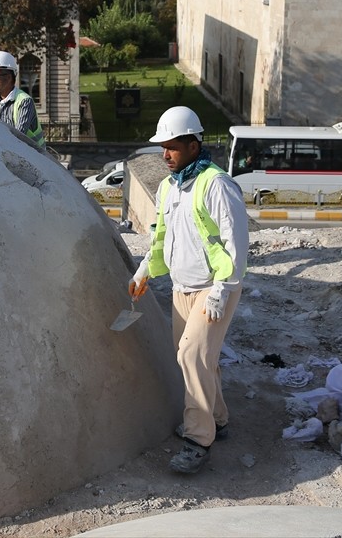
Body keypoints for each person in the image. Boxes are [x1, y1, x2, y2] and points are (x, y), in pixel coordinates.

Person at [128, 105, 249, 474]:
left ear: (194, 145)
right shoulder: (168, 186)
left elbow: (236, 241)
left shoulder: (216, 184)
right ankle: (217, 418)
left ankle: (198, 440)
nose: (165, 154)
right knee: (199, 359)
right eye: (162, 147)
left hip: (214, 289)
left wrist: (222, 289)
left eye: (173, 147)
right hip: (183, 288)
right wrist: (145, 268)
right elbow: (162, 235)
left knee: (191, 356)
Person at [0, 50, 45, 149]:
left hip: (35, 158)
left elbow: (18, 137)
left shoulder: (24, 101)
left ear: (9, 77)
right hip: (6, 153)